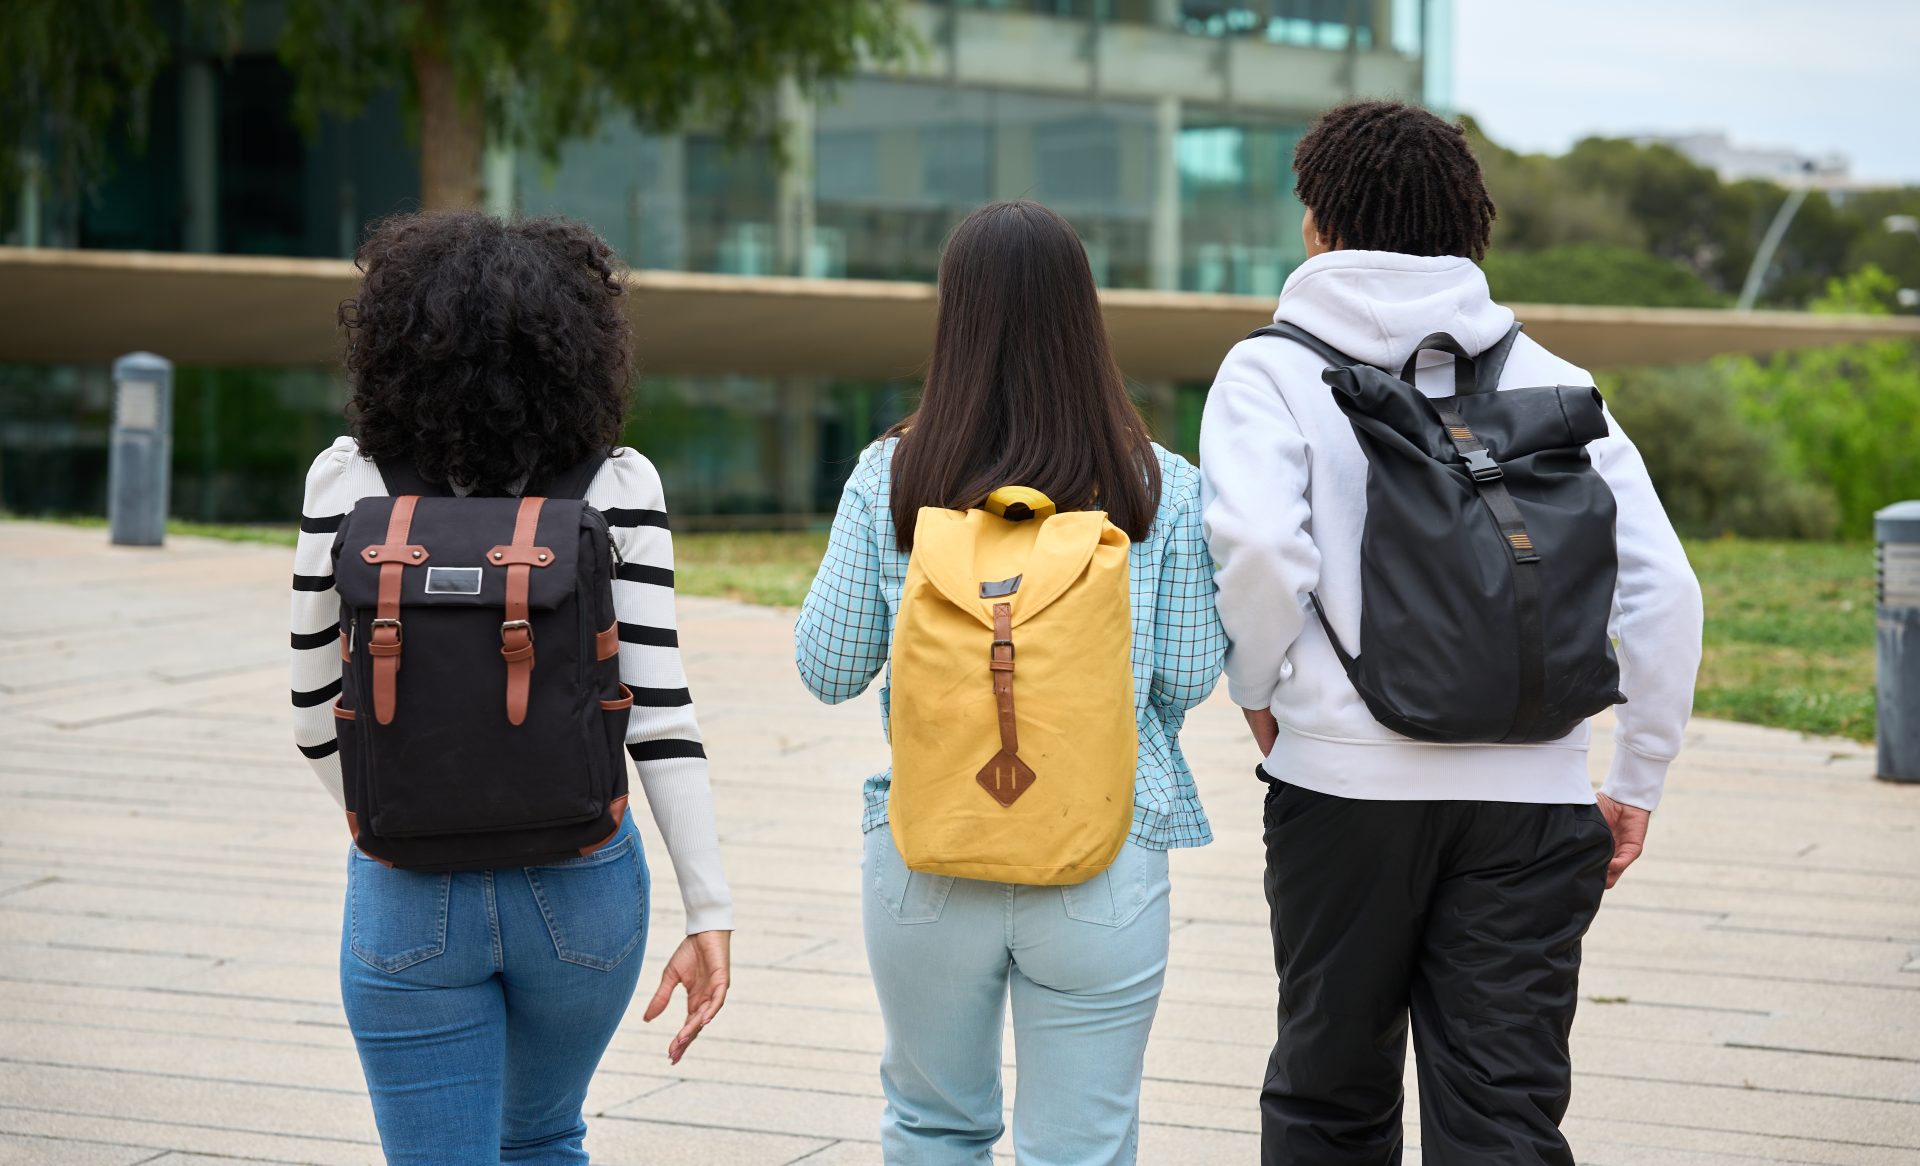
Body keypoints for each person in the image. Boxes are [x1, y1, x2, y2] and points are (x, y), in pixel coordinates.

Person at [1199, 100, 1704, 1165]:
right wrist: (1637, 772)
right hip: (1535, 798)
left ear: (1316, 223)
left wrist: (1260, 691)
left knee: (1329, 1094)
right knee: (1503, 1116)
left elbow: (1258, 552)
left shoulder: (1271, 371)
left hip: (1342, 789)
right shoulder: (1556, 382)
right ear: (1470, 227)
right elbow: (1663, 588)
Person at [289, 212, 733, 1164]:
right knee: (540, 1139)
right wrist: (710, 912)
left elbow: (311, 719)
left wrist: (399, 812)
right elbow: (660, 717)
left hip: (406, 890)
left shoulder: (344, 484)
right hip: (582, 897)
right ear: (582, 346)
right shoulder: (618, 485)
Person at [794, 199, 1227, 1164]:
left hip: (928, 850)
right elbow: (1192, 676)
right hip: (1104, 851)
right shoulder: (1162, 485)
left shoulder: (890, 478)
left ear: (955, 319)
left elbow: (826, 668)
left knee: (932, 1127)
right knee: (1083, 1145)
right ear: (1085, 318)